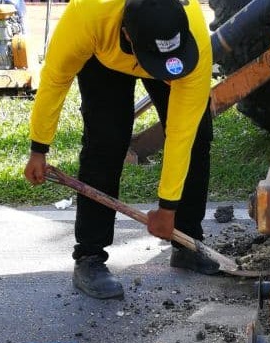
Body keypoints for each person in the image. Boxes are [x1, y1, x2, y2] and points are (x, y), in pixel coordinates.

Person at [24, 0, 215, 300]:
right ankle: (90, 257)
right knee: (106, 142)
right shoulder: (87, 16)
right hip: (103, 56)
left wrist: (168, 209)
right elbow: (55, 79)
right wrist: (39, 147)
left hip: (167, 50)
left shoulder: (193, 38)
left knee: (198, 136)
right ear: (127, 35)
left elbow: (182, 135)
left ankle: (187, 240)